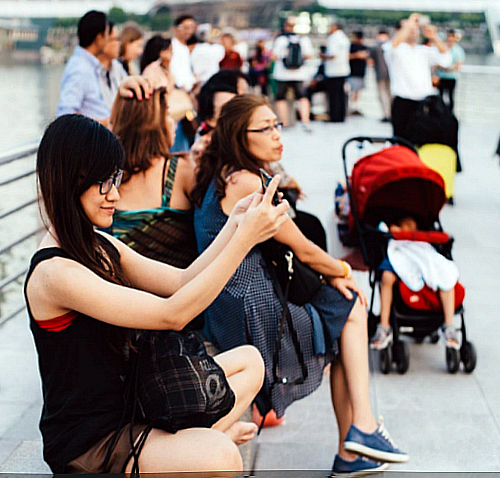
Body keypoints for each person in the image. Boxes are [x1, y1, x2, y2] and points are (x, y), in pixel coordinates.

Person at [26, 112, 291, 474]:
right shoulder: (55, 274)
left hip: (135, 407)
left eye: (115, 179)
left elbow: (181, 281)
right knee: (222, 456)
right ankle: (205, 442)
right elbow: (174, 313)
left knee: (250, 362)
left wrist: (237, 224)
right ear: (72, 182)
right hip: (93, 442)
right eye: (105, 183)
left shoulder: (98, 244)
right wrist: (246, 240)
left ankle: (194, 444)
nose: (115, 195)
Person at [192, 94, 409, 476]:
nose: (278, 134)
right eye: (266, 128)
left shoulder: (230, 171)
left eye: (278, 125)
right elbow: (304, 250)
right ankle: (362, 430)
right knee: (351, 305)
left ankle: (354, 448)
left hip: (233, 298)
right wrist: (344, 271)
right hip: (247, 307)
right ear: (240, 136)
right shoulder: (246, 180)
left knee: (345, 313)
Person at [109, 87, 199, 268]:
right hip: (182, 290)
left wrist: (121, 95)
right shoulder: (181, 171)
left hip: (127, 292)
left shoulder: (110, 177)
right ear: (152, 123)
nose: (173, 121)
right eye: (167, 113)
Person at [370, 215, 461, 350]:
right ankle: (384, 326)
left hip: (421, 250)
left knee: (445, 274)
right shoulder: (394, 230)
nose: (409, 228)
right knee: (387, 277)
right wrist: (393, 231)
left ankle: (449, 325)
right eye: (406, 225)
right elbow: (381, 227)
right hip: (399, 251)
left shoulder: (423, 234)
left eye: (412, 226)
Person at [383, 13, 451, 142]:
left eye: (415, 28)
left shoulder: (423, 50)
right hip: (402, 101)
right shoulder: (393, 49)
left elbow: (445, 59)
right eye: (409, 28)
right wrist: (409, 23)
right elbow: (394, 44)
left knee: (423, 139)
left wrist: (434, 37)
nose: (413, 30)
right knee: (401, 141)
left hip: (423, 102)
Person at [55, 10, 111, 124]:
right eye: (107, 35)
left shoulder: (89, 66)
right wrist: (102, 123)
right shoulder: (80, 69)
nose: (108, 40)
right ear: (99, 38)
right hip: (92, 138)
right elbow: (66, 115)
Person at [272, 16, 314, 131]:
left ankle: (284, 122)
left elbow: (274, 56)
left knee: (280, 98)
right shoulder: (303, 39)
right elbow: (309, 55)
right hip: (299, 74)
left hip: (282, 74)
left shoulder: (280, 39)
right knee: (302, 97)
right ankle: (306, 121)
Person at [322, 23, 351, 123]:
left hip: (334, 71)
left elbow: (332, 54)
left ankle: (334, 116)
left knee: (334, 96)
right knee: (341, 96)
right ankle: (340, 116)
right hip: (342, 70)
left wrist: (323, 56)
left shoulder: (334, 38)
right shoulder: (344, 38)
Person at [97, 21, 127, 110]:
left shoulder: (118, 68)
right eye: (116, 39)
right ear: (103, 40)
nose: (119, 44)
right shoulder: (87, 71)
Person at [435, 29, 465, 112]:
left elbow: (457, 66)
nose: (450, 39)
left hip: (451, 77)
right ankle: (439, 114)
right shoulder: (441, 48)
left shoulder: (458, 50)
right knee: (439, 97)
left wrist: (443, 68)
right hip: (440, 77)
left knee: (450, 97)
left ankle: (449, 115)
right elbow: (436, 63)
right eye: (449, 36)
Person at [169, 14, 197, 92]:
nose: (189, 31)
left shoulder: (186, 48)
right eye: (185, 27)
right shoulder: (171, 47)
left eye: (191, 28)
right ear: (176, 28)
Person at [370, 29, 392, 123]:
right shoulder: (390, 45)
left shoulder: (376, 47)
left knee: (386, 95)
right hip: (387, 74)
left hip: (384, 74)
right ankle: (388, 114)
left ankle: (388, 114)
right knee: (386, 95)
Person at [347, 30, 370, 116]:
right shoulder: (351, 47)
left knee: (357, 92)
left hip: (360, 73)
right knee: (350, 91)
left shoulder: (364, 47)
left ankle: (355, 107)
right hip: (352, 72)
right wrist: (357, 55)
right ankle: (350, 107)